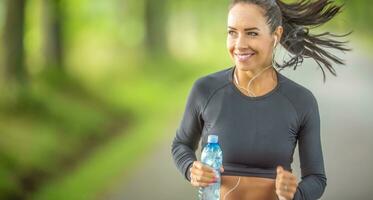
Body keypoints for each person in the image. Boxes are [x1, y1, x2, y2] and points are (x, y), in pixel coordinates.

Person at [171, 0, 350, 199]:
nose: (239, 44)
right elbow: (181, 144)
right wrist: (190, 169)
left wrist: (295, 194)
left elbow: (316, 178)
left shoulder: (301, 101)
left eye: (252, 33)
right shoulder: (205, 89)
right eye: (232, 32)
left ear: (276, 36)